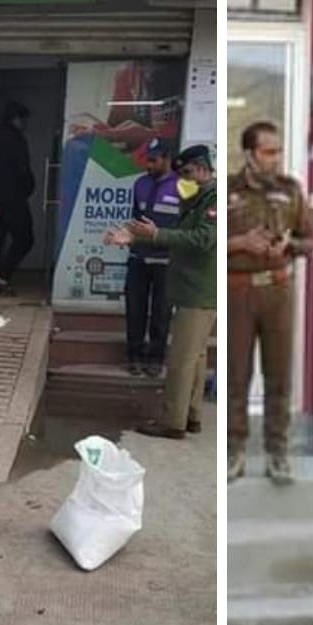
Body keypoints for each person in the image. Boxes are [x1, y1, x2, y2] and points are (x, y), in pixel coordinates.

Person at [106, 144, 216, 439]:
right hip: (189, 284)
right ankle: (191, 414)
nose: (186, 178)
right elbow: (180, 230)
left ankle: (172, 421)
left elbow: (203, 239)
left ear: (204, 168)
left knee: (181, 357)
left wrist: (155, 234)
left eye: (190, 172)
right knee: (196, 355)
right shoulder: (197, 195)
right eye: (183, 174)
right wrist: (133, 237)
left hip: (199, 288)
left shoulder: (216, 197)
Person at [228, 121, 313, 485]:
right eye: (268, 152)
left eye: (278, 151)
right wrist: (242, 243)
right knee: (236, 374)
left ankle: (278, 452)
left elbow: (310, 241)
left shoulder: (290, 190)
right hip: (237, 289)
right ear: (249, 153)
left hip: (278, 289)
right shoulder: (229, 190)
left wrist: (289, 247)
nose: (276, 158)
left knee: (279, 374)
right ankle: (233, 451)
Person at [125, 138, 180, 377]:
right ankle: (134, 356)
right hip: (139, 257)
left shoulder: (184, 187)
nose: (148, 164)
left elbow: (186, 226)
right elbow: (135, 219)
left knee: (161, 312)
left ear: (167, 159)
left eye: (153, 160)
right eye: (147, 159)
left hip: (167, 261)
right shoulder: (140, 184)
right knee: (135, 309)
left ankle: (156, 358)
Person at [0, 101, 36, 295]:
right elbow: (23, 170)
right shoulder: (16, 140)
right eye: (24, 120)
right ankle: (3, 275)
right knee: (25, 238)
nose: (26, 125)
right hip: (14, 198)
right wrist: (28, 188)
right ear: (16, 119)